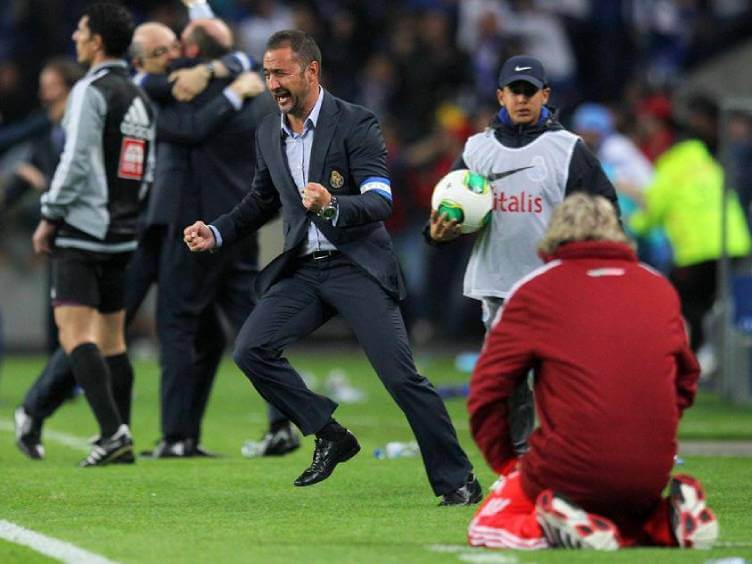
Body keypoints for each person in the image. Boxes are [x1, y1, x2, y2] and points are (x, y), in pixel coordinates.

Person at [183, 29, 480, 504]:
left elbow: (381, 200)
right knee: (251, 350)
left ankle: (458, 480)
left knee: (401, 378)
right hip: (304, 269)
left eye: (281, 73)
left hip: (356, 266)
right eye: (266, 74)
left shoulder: (356, 122)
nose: (272, 83)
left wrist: (331, 205)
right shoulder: (268, 131)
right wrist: (216, 231)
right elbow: (263, 200)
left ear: (311, 70)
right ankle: (330, 433)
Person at [13, 18, 273, 460]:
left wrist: (214, 71)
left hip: (144, 223)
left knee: (131, 331)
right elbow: (191, 128)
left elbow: (243, 58)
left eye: (177, 46)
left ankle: (154, 434)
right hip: (140, 224)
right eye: (164, 50)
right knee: (110, 328)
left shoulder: (172, 80)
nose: (174, 55)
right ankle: (42, 409)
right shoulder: (137, 87)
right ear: (139, 58)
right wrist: (228, 85)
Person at [467, 193, 719, 550]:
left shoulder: (535, 290)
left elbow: (488, 390)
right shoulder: (658, 287)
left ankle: (551, 526)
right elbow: (686, 378)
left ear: (554, 234)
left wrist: (507, 461)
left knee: (487, 524)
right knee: (622, 512)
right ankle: (669, 521)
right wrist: (645, 434)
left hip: (568, 468)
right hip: (652, 471)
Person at [427, 55, 619, 453]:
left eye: (530, 91)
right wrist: (436, 233)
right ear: (500, 95)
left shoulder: (569, 150)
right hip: (497, 286)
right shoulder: (476, 150)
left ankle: (571, 452)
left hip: (555, 287)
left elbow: (606, 210)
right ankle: (520, 460)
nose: (522, 99)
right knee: (510, 379)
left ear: (546, 95)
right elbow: (448, 210)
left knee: (560, 377)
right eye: (515, 92)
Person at [141, 17, 294, 457]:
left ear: (191, 50)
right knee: (254, 325)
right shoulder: (256, 95)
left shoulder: (185, 91)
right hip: (237, 226)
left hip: (193, 227)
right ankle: (281, 423)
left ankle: (176, 436)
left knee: (177, 326)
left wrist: (210, 77)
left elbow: (179, 127)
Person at [30, 3, 155, 467]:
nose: (75, 38)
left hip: (84, 228)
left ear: (97, 41)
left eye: (81, 31)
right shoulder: (140, 95)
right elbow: (145, 168)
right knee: (112, 338)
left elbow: (76, 159)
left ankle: (111, 432)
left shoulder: (89, 90)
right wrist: (130, 213)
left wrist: (50, 214)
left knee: (73, 331)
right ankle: (120, 436)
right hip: (123, 231)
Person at [629, 94, 751, 355]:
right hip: (734, 240)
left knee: (685, 303)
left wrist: (628, 225)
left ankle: (698, 355)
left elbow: (653, 214)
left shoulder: (669, 166)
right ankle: (715, 349)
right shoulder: (703, 156)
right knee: (715, 300)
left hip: (696, 249)